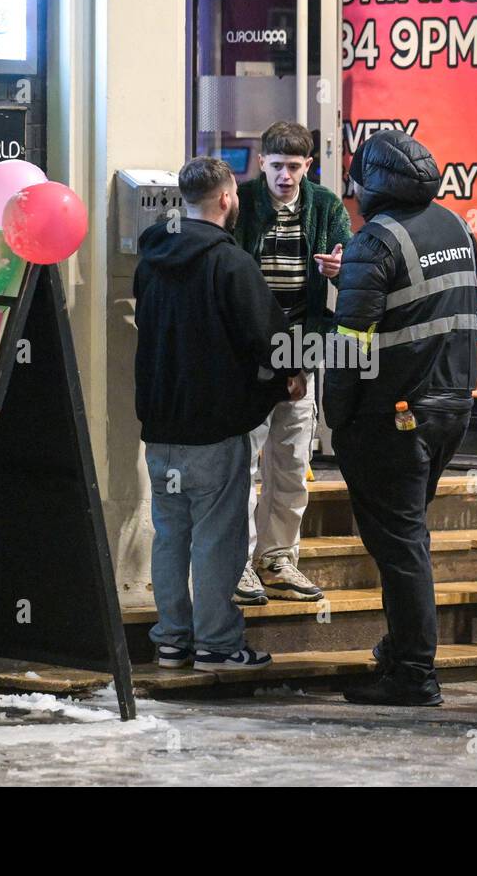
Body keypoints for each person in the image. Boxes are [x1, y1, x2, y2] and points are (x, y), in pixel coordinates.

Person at [134, 156, 307, 672]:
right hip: (213, 425)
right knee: (216, 538)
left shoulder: (151, 258)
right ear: (227, 198)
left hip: (160, 426)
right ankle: (217, 645)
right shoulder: (230, 263)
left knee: (170, 536)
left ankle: (171, 640)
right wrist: (289, 377)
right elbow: (268, 336)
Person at [327, 130, 477, 706]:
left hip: (390, 415)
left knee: (399, 544)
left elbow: (350, 340)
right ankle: (401, 653)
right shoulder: (455, 227)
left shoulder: (376, 240)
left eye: (358, 179)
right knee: (407, 535)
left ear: (375, 184)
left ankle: (414, 673)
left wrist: (335, 412)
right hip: (450, 408)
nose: (353, 189)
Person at [229, 121, 353, 605]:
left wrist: (341, 269)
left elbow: (355, 266)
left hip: (302, 349)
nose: (285, 175)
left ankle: (278, 558)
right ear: (263, 163)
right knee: (243, 462)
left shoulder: (324, 205)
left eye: (294, 167)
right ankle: (238, 562)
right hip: (250, 352)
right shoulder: (242, 203)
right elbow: (229, 274)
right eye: (277, 165)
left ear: (307, 167)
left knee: (292, 460)